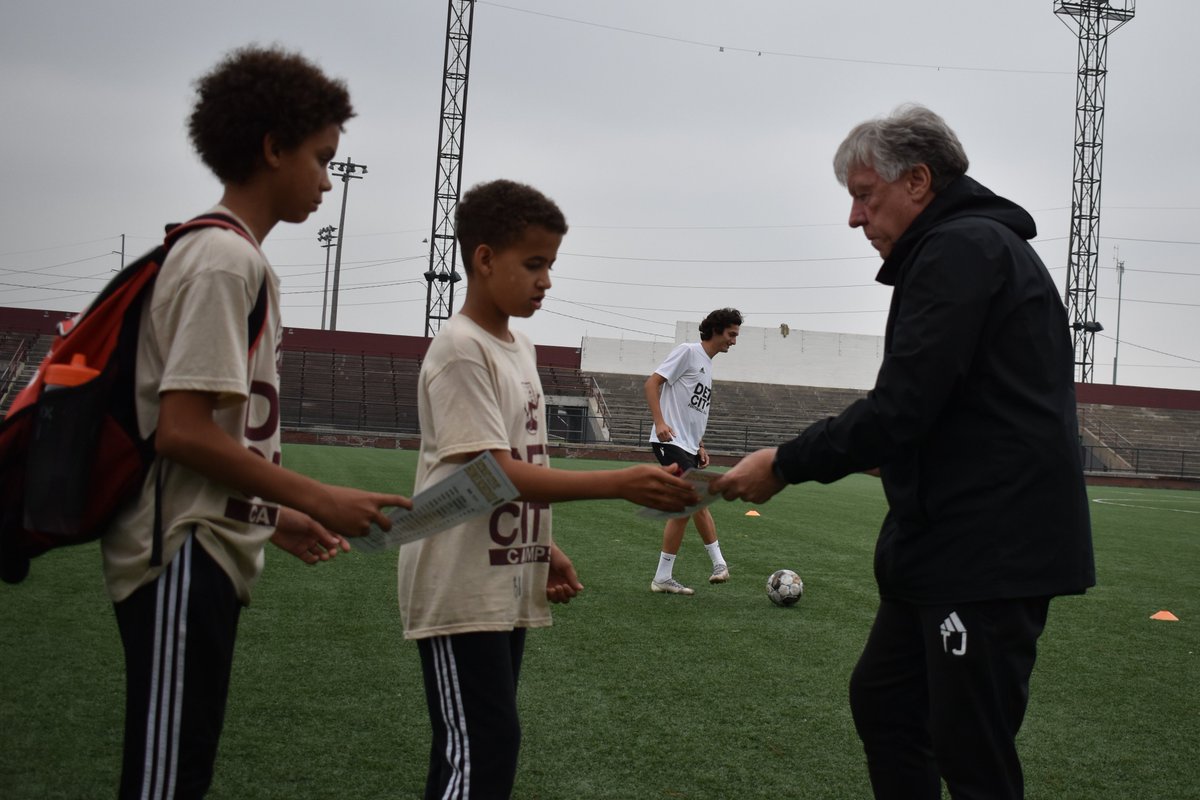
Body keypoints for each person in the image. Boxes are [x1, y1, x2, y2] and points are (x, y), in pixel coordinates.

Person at [711, 104, 1095, 799]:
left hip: (987, 550)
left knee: (971, 749)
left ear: (918, 181)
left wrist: (785, 463)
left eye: (864, 195)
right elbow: (937, 407)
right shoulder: (960, 250)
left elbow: (904, 406)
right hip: (946, 545)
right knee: (887, 703)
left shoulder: (962, 250)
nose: (855, 218)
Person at [102, 46, 411, 799]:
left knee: (182, 767)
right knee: (167, 780)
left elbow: (213, 437)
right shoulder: (222, 261)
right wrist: (315, 496)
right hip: (181, 553)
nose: (329, 180)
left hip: (209, 545)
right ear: (272, 148)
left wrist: (271, 513)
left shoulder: (234, 257)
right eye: (321, 157)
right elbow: (180, 432)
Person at [398, 178, 700, 800]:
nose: (547, 281)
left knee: (490, 744)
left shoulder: (520, 346)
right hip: (458, 579)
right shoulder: (460, 348)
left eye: (551, 265)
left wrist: (543, 544)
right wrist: (618, 482)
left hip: (501, 568)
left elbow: (511, 464)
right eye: (534, 264)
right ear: (484, 259)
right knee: (476, 751)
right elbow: (492, 472)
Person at [645, 307, 742, 595]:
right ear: (716, 330)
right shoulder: (687, 351)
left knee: (694, 502)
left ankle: (670, 575)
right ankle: (718, 564)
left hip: (687, 444)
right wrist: (660, 422)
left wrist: (699, 443)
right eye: (731, 335)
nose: (734, 341)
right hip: (669, 441)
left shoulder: (707, 364)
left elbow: (692, 408)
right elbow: (652, 383)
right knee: (691, 501)